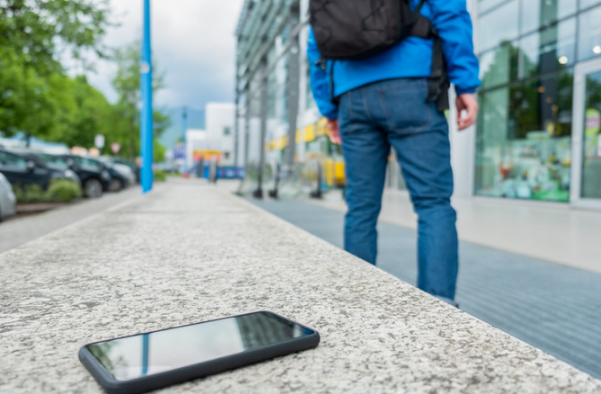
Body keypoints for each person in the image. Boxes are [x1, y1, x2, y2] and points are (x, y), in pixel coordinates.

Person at [308, 0, 480, 306]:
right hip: (412, 82)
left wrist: (329, 108)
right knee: (433, 205)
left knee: (360, 207)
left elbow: (317, 37)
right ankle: (437, 305)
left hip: (351, 92)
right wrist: (465, 83)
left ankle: (356, 302)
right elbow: (450, 12)